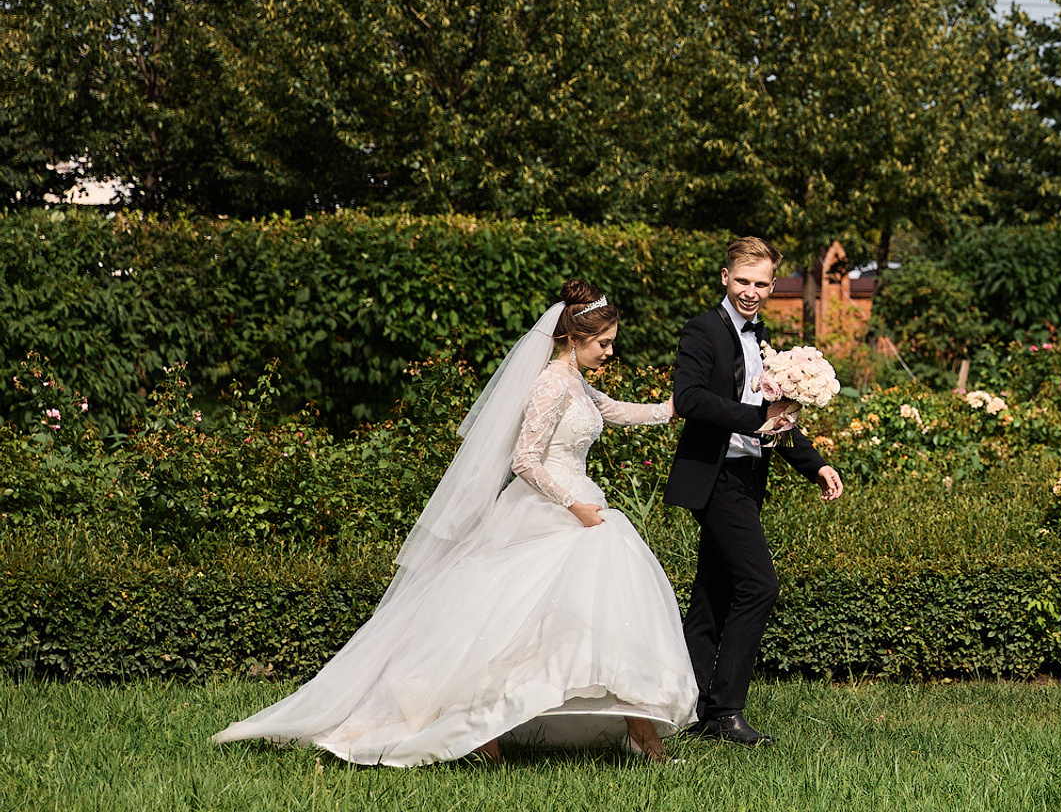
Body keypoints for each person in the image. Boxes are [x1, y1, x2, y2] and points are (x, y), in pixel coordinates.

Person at [215, 279, 750, 766]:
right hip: (551, 510)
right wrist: (574, 506)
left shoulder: (579, 384)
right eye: (604, 343)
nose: (610, 352)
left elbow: (618, 411)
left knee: (602, 619)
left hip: (584, 509)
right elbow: (525, 459)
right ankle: (482, 735)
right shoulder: (551, 385)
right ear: (573, 339)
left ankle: (643, 740)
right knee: (502, 627)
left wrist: (681, 405)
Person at [665, 237, 842, 746]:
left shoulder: (762, 335)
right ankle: (725, 713)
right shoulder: (704, 330)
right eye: (743, 281)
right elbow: (690, 398)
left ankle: (690, 709)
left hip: (747, 477)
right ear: (725, 277)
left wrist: (815, 464)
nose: (752, 292)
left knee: (711, 599)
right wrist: (754, 416)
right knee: (759, 586)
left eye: (762, 283)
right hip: (715, 478)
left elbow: (775, 418)